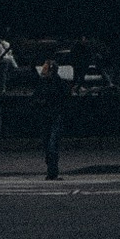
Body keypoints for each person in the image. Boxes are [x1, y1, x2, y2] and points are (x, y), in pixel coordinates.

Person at [36, 53, 69, 182]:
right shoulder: (43, 83)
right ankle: (51, 171)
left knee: (52, 145)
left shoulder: (58, 83)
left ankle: (53, 171)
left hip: (55, 116)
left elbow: (65, 99)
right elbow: (35, 97)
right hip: (46, 116)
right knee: (47, 145)